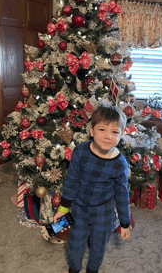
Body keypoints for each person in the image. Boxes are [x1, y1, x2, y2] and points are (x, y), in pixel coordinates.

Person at [53, 100, 131, 273]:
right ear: (91, 130)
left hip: (104, 213)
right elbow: (71, 180)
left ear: (122, 134)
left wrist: (125, 222)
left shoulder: (120, 163)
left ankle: (92, 270)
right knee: (75, 243)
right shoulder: (80, 151)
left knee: (98, 247)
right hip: (79, 209)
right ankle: (73, 269)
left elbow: (122, 195)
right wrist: (63, 208)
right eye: (102, 129)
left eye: (114, 132)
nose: (108, 136)